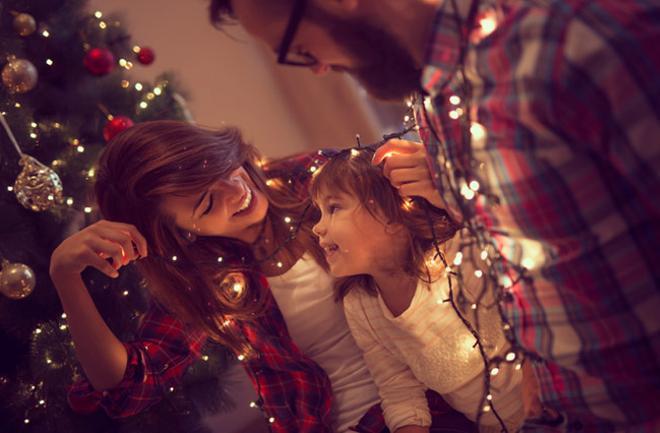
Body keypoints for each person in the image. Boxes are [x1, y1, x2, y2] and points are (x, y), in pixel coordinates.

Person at [208, 0, 660, 431]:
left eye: (302, 52)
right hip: (562, 407)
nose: (320, 69)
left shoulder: (566, 43)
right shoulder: (436, 109)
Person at [49, 120, 475, 433]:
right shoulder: (205, 279)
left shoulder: (319, 179)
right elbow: (126, 389)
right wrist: (65, 276)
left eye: (220, 167)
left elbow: (455, 229)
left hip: (454, 386)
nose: (236, 190)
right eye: (204, 204)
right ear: (180, 235)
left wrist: (440, 180)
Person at [310, 148, 524, 433]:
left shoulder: (459, 256)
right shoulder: (362, 305)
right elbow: (399, 390)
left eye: (333, 207)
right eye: (319, 212)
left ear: (395, 214)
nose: (317, 228)